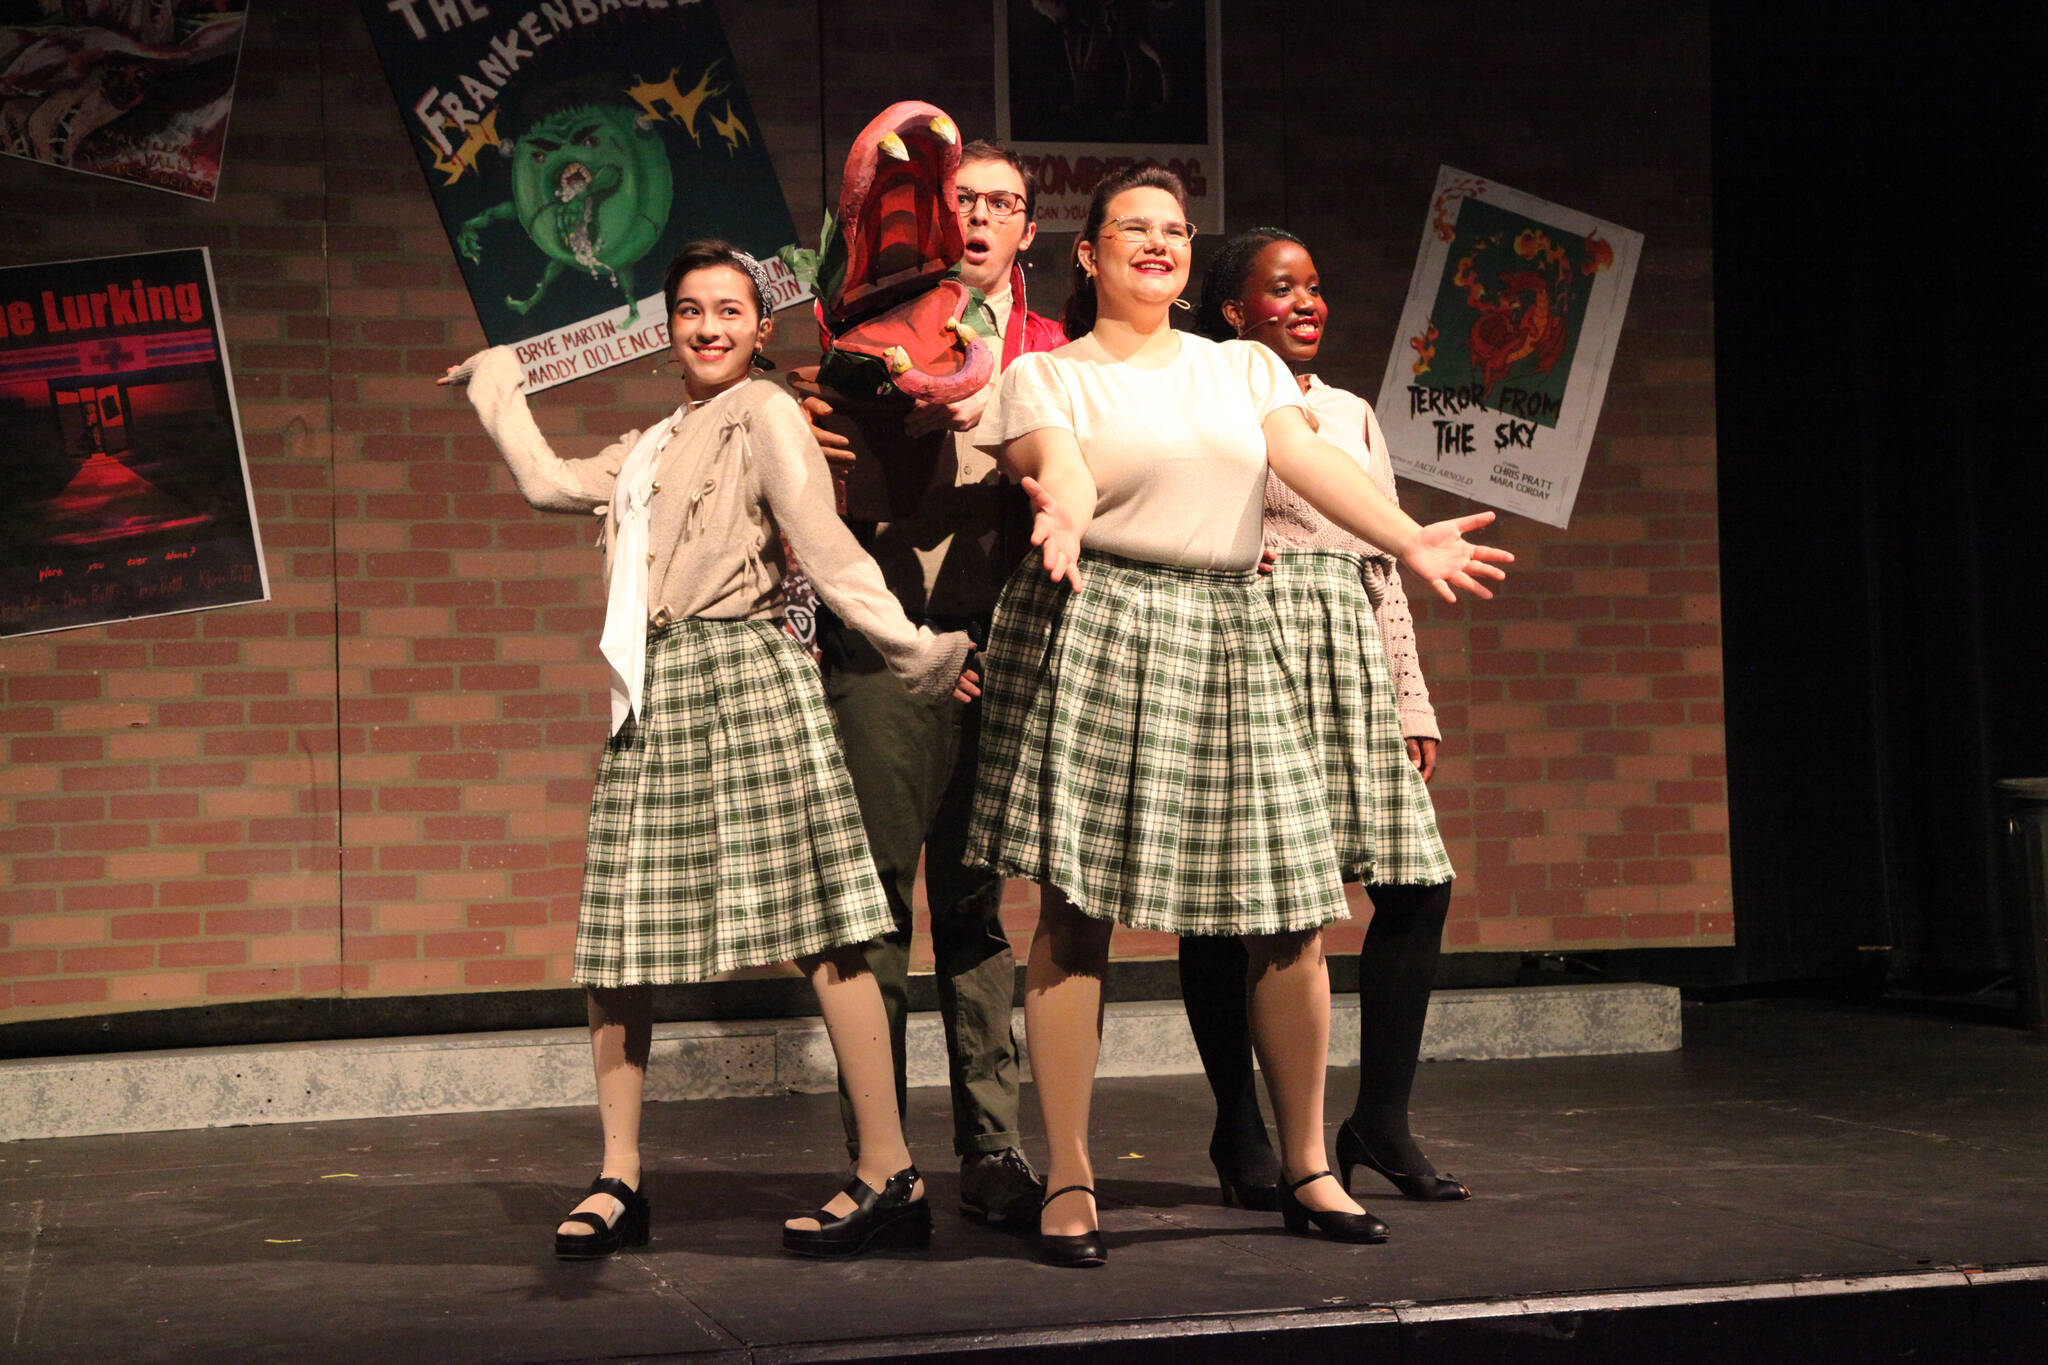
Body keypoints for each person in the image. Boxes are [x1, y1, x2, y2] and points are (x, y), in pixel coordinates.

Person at [960, 164, 1510, 1267]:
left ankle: (1308, 1164)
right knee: (1076, 910)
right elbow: (1056, 471)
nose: (1156, 244)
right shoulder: (1045, 378)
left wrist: (1403, 538)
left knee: (1290, 904)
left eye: (1172, 229)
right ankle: (1069, 1174)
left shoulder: (1243, 365)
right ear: (1089, 252)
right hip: (1103, 617)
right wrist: (1063, 522)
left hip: (1230, 625)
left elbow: (1304, 456)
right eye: (1132, 229)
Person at [441, 241, 975, 1260]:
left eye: (728, 311)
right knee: (618, 938)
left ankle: (888, 1171)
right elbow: (552, 484)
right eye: (691, 311)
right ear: (669, 327)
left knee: (824, 922)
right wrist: (497, 384)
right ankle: (617, 1177)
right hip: (660, 688)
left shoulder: (764, 413)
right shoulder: (654, 443)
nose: (709, 328)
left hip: (745, 674)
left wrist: (914, 649)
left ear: (757, 328)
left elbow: (821, 544)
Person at [791, 141, 1065, 1227]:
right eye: (966, 202)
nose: (985, 218)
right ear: (934, 220)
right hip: (887, 639)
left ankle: (994, 1152)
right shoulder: (857, 332)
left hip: (1007, 647)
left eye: (1005, 204)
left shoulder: (1056, 349)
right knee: (874, 903)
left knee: (978, 908)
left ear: (1030, 230)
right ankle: (881, 1156)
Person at [1180, 228, 1470, 1211]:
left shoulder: (1346, 410)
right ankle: (1240, 1124)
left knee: (1414, 882)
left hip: (1346, 653)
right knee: (1235, 900)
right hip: (1243, 648)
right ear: (1231, 310)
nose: (1306, 303)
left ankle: (1377, 1121)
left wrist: (1409, 693)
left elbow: (1379, 555)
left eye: (1313, 286)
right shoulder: (1201, 392)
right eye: (1280, 288)